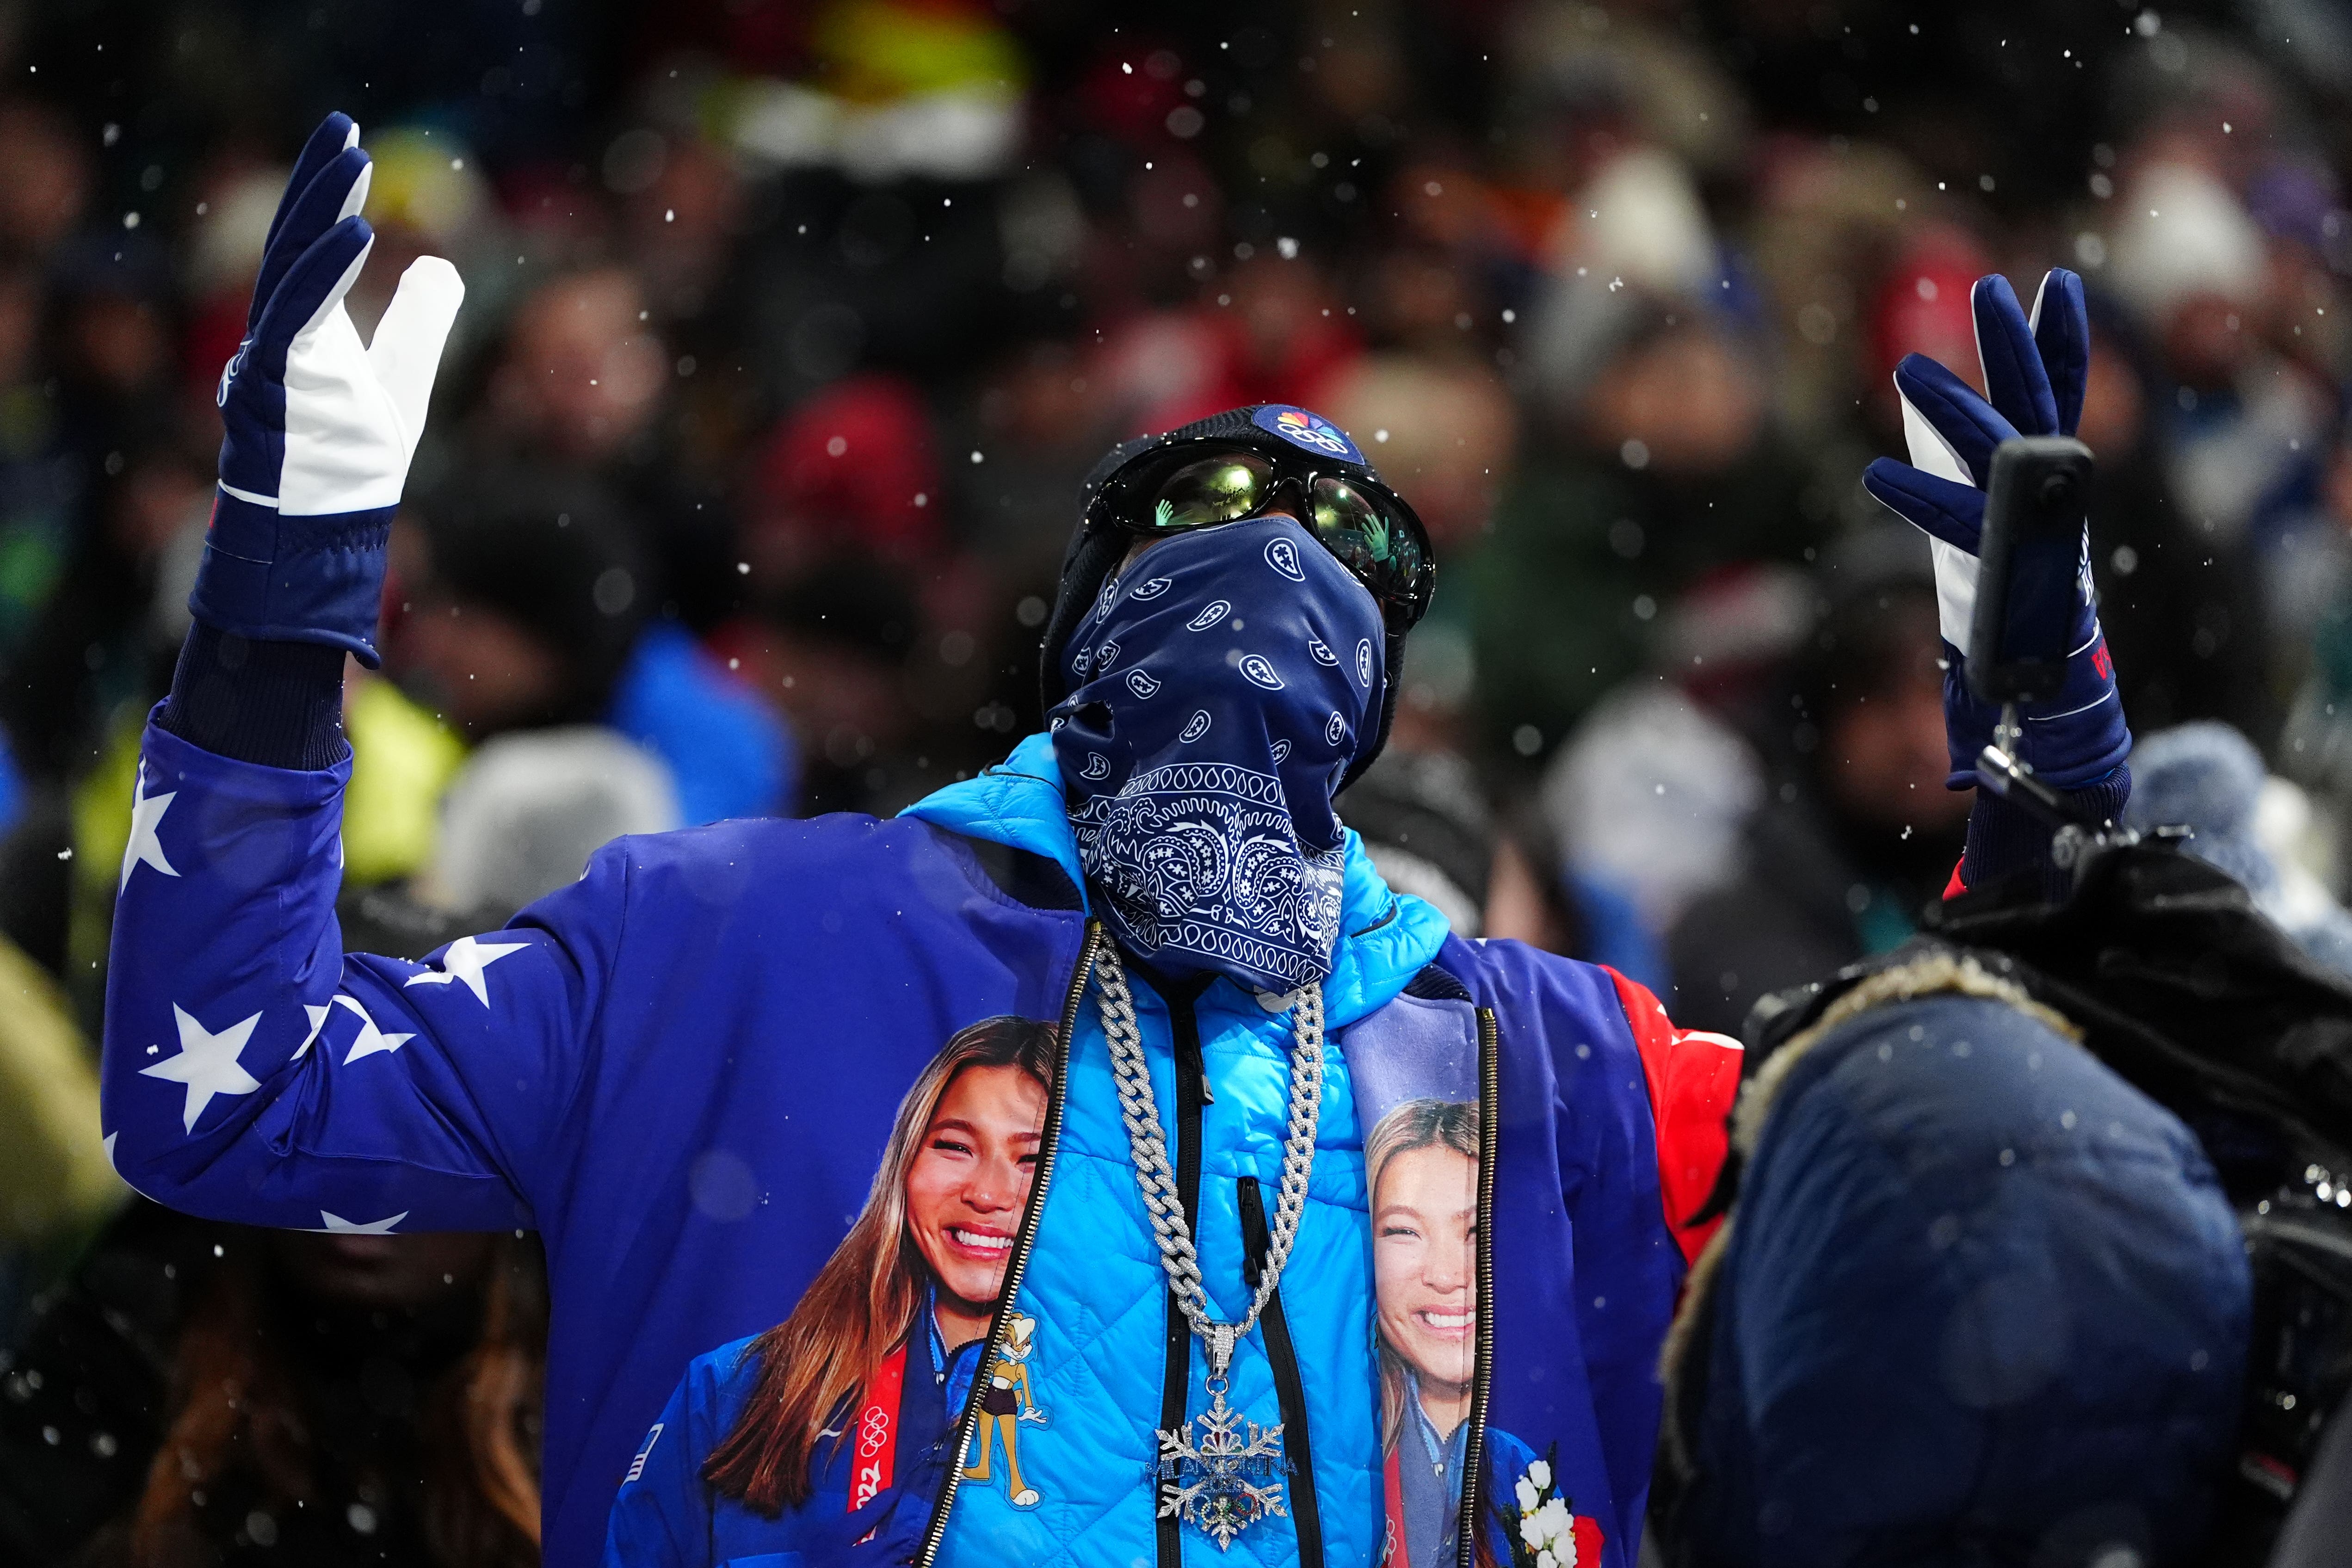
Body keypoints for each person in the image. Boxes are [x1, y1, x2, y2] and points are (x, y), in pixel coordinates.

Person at [105, 116, 1750, 1568]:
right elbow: (238, 1092)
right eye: (1191, 518)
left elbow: (1942, 1253)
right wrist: (278, 604)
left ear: (1381, 706)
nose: (1264, 547)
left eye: (1338, 548)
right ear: (1081, 641)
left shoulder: (1556, 1060)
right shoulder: (716, 942)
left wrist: (2019, 797)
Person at [606, 1017, 1057, 1565]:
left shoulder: (1133, 1417)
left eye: (1034, 1158)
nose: (988, 1193)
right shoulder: (734, 1391)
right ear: (905, 1164)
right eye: (955, 1147)